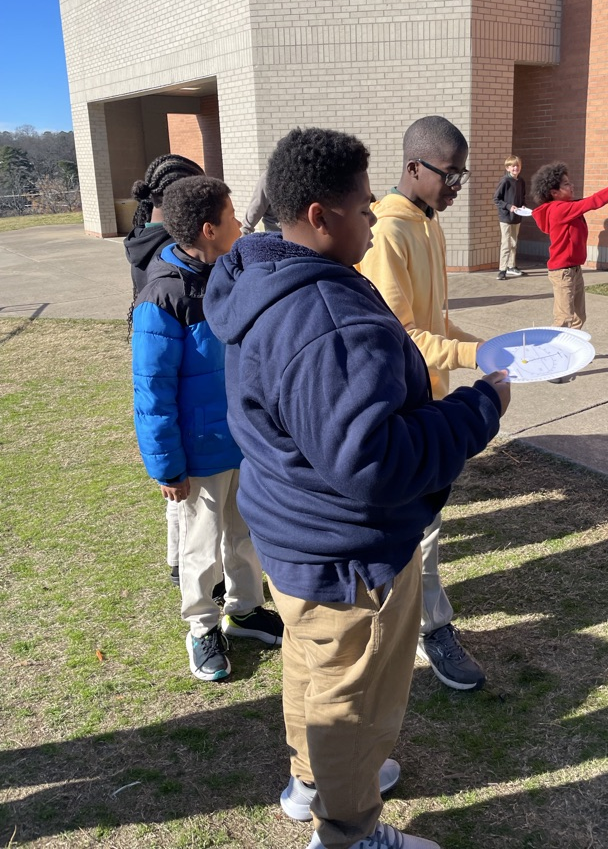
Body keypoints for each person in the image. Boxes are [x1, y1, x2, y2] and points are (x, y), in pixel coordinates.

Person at [204, 127, 509, 849]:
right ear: (318, 215)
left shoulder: (261, 279)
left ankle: (311, 781)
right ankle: (348, 831)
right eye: (362, 208)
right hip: (347, 551)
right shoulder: (327, 318)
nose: (372, 219)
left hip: (294, 532)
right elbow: (375, 461)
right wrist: (479, 407)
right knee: (353, 698)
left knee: (314, 666)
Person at [131, 176, 283, 682]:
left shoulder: (230, 275)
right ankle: (202, 627)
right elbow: (152, 393)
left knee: (245, 535)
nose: (241, 223)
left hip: (243, 442)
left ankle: (244, 609)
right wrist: (167, 466)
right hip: (198, 455)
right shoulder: (162, 297)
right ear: (208, 228)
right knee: (200, 545)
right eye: (233, 216)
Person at [356, 115, 489, 692]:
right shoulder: (389, 231)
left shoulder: (428, 223)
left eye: (463, 174)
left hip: (431, 399)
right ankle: (434, 631)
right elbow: (401, 333)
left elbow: (435, 322)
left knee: (424, 526)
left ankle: (414, 618)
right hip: (401, 405)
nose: (457, 185)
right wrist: (473, 358)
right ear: (414, 167)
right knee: (421, 530)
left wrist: (494, 350)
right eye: (450, 174)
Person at [124, 153, 205, 586]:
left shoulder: (143, 235)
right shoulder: (167, 252)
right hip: (168, 359)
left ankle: (178, 559)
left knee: (179, 488)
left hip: (162, 357)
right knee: (182, 486)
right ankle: (183, 565)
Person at [531, 162, 608, 329]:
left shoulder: (568, 207)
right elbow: (593, 201)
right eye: (566, 184)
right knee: (563, 319)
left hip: (574, 269)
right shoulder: (558, 209)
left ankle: (571, 351)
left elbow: (589, 202)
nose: (572, 185)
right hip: (563, 273)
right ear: (554, 192)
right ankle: (553, 351)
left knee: (578, 318)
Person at [493, 154, 528, 279]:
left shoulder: (521, 181)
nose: (515, 168)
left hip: (517, 217)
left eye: (517, 166)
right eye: (512, 166)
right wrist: (509, 206)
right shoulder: (505, 181)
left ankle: (511, 266)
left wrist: (523, 205)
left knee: (514, 242)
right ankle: (502, 270)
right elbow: (496, 199)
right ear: (507, 168)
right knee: (506, 244)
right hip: (506, 217)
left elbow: (522, 197)